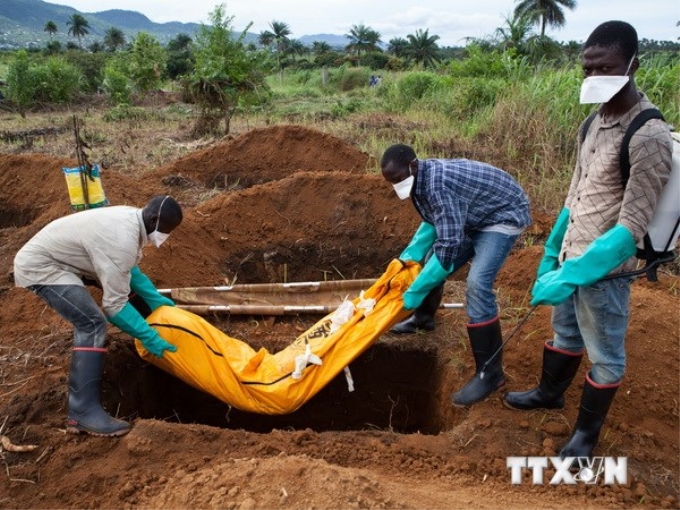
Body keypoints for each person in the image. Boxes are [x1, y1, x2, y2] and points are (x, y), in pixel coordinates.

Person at [503, 21, 673, 459]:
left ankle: (584, 438)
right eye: (588, 68)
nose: (595, 77)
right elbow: (574, 194)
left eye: (607, 67)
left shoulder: (648, 135)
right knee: (565, 332)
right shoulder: (592, 122)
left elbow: (630, 227)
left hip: (605, 271)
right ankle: (549, 393)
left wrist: (577, 272)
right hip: (571, 253)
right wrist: (550, 252)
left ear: (634, 64)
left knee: (605, 352)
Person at [13, 195, 183, 437]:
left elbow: (129, 270)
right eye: (166, 230)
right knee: (91, 323)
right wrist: (149, 337)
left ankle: (151, 337)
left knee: (129, 291)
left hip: (68, 257)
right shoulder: (122, 240)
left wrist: (154, 298)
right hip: (43, 266)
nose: (166, 236)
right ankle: (82, 413)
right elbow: (114, 307)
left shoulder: (133, 219)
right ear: (154, 219)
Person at [381, 144, 531, 407]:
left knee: (477, 283)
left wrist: (415, 290)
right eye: (391, 182)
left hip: (501, 215)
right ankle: (423, 319)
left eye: (398, 179)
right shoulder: (419, 180)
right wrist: (406, 258)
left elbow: (449, 246)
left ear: (413, 166)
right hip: (473, 215)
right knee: (428, 261)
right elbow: (432, 223)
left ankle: (490, 373)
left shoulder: (438, 185)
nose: (396, 185)